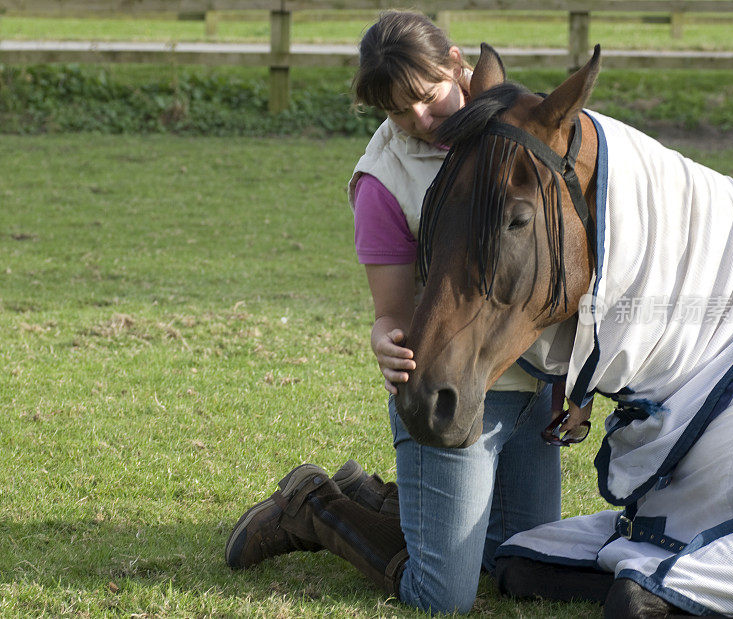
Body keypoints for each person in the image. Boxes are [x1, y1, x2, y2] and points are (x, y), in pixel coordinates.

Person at [224, 11, 561, 614]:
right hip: (449, 399)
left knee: (520, 566)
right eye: (397, 112)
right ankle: (317, 507)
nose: (420, 123)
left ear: (458, 65)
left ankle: (381, 503)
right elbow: (394, 313)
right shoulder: (385, 180)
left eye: (429, 99)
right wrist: (385, 336)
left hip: (531, 389)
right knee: (443, 597)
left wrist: (576, 378)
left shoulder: (514, 132)